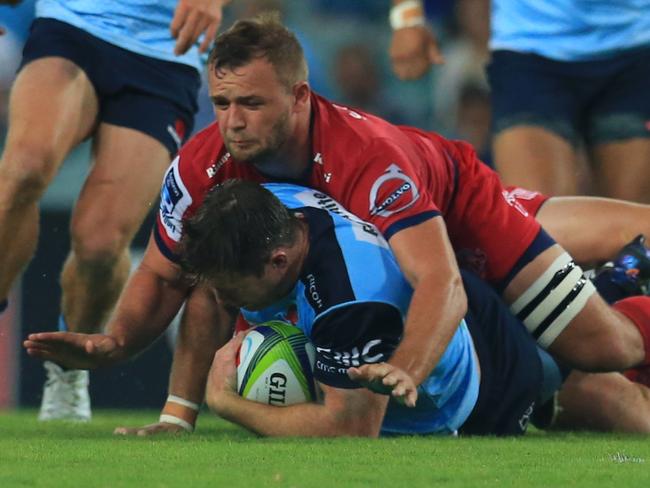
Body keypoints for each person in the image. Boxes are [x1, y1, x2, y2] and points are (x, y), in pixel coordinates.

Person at [21, 15, 650, 433]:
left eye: (251, 103)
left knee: (610, 348)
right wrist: (117, 343)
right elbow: (166, 274)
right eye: (221, 103)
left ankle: (623, 274)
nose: (232, 122)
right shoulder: (203, 161)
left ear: (300, 97)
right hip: (402, 244)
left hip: (460, 210)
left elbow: (442, 283)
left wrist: (405, 365)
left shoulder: (368, 160)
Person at [0, 0, 230, 421]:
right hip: (70, 24)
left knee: (101, 246)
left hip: (163, 53)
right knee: (24, 168)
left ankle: (68, 372)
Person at [187, 180, 561, 437]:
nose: (222, 302)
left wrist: (226, 403)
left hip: (482, 394)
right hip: (441, 312)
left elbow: (348, 429)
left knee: (580, 384)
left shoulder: (348, 304)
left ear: (278, 262)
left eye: (232, 291)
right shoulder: (270, 206)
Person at [387, 0, 650, 200]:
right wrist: (407, 17)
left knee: (634, 247)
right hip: (529, 52)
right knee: (541, 230)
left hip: (636, 49)